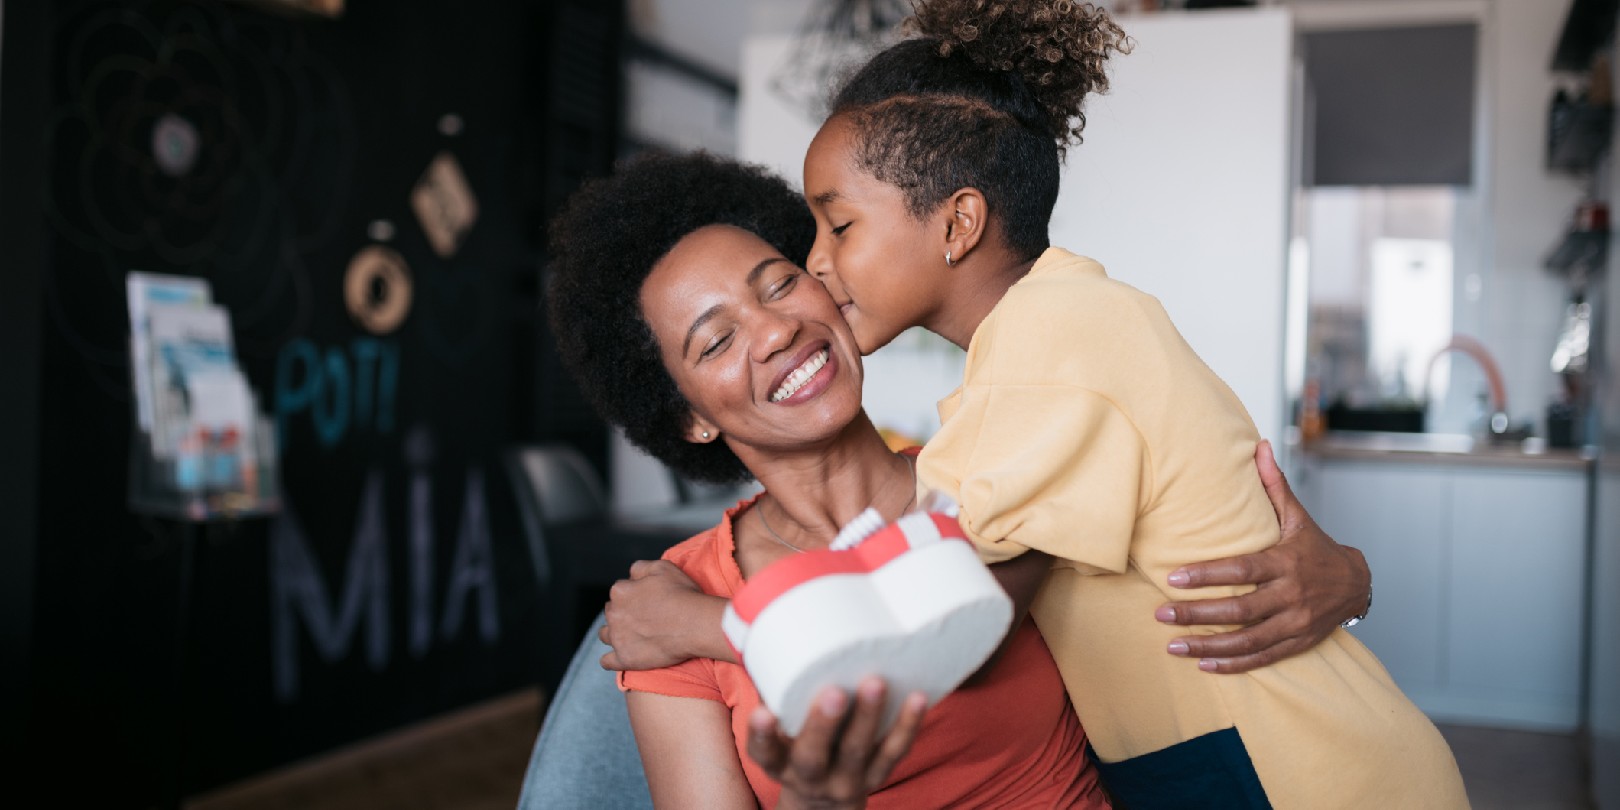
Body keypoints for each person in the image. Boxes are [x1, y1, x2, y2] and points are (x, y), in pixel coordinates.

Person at [788, 0, 1469, 806]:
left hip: (1308, 774)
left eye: (837, 225)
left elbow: (950, 612)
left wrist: (707, 625)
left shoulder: (1053, 335)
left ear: (958, 223)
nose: (816, 262)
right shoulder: (1045, 332)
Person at [548, 151, 1108, 808]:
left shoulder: (983, 476)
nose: (776, 331)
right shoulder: (669, 603)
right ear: (691, 417)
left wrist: (1262, 571)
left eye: (779, 285)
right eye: (717, 341)